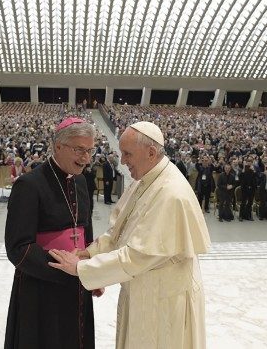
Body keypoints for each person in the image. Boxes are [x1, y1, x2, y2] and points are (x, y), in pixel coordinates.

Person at [48, 121, 211, 349]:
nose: (123, 161)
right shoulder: (145, 179)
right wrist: (89, 252)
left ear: (151, 153)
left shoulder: (170, 194)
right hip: (144, 293)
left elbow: (138, 256)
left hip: (163, 300)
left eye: (127, 154)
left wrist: (81, 268)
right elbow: (118, 231)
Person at [4, 117, 97, 349]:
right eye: (79, 150)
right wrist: (65, 269)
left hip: (78, 280)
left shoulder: (82, 181)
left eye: (89, 150)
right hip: (41, 288)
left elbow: (85, 231)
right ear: (58, 146)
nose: (85, 158)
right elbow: (18, 248)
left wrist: (92, 269)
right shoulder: (29, 185)